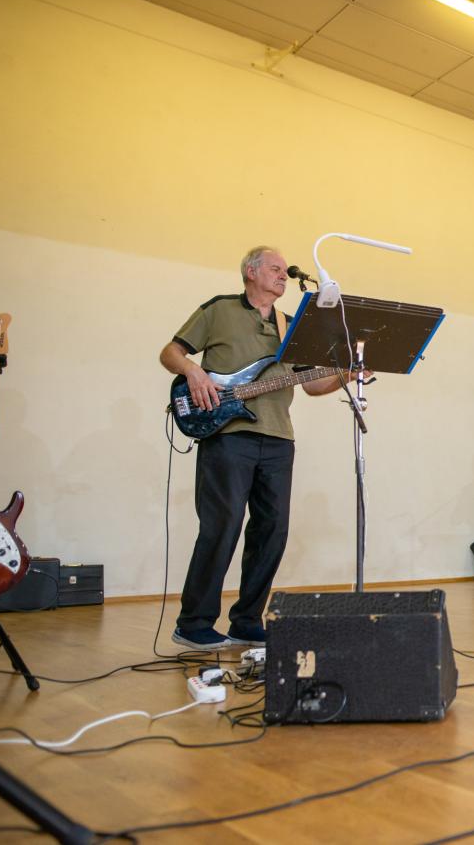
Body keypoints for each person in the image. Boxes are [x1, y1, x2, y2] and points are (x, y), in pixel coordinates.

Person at [159, 245, 360, 651]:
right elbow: (171, 352)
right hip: (227, 435)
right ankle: (193, 623)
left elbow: (311, 385)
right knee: (222, 526)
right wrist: (194, 371)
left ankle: (247, 621)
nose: (284, 275)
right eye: (275, 268)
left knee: (272, 531)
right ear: (251, 272)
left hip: (279, 437)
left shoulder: (291, 325)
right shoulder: (219, 309)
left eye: (285, 271)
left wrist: (348, 374)